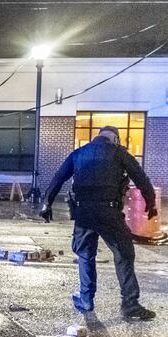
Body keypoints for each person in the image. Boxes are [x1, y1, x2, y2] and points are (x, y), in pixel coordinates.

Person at [40, 126, 157, 320]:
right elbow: (141, 178)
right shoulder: (120, 153)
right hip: (109, 213)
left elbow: (58, 178)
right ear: (115, 139)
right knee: (124, 255)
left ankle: (86, 299)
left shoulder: (79, 153)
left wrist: (46, 204)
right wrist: (150, 203)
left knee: (86, 255)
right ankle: (130, 304)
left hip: (83, 213)